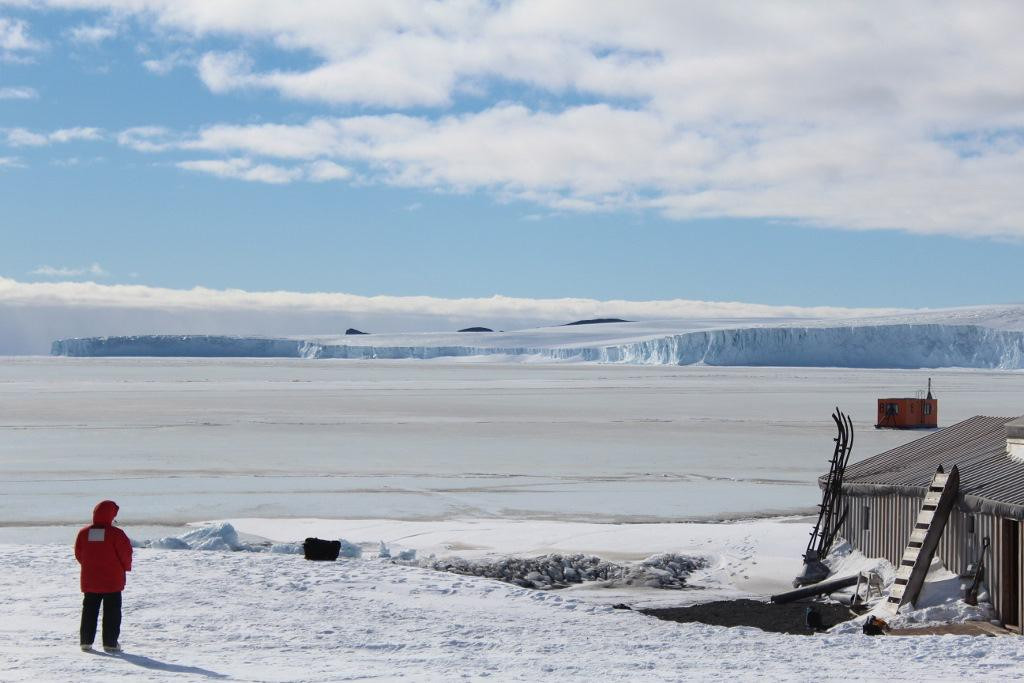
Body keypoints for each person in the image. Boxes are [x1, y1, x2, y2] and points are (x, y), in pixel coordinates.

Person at [75, 500, 132, 653]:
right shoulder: (116, 534)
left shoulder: (84, 533)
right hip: (112, 581)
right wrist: (125, 568)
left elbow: (79, 554)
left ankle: (86, 641)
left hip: (90, 579)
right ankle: (110, 643)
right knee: (112, 612)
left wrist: (90, 566)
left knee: (89, 610)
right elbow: (125, 554)